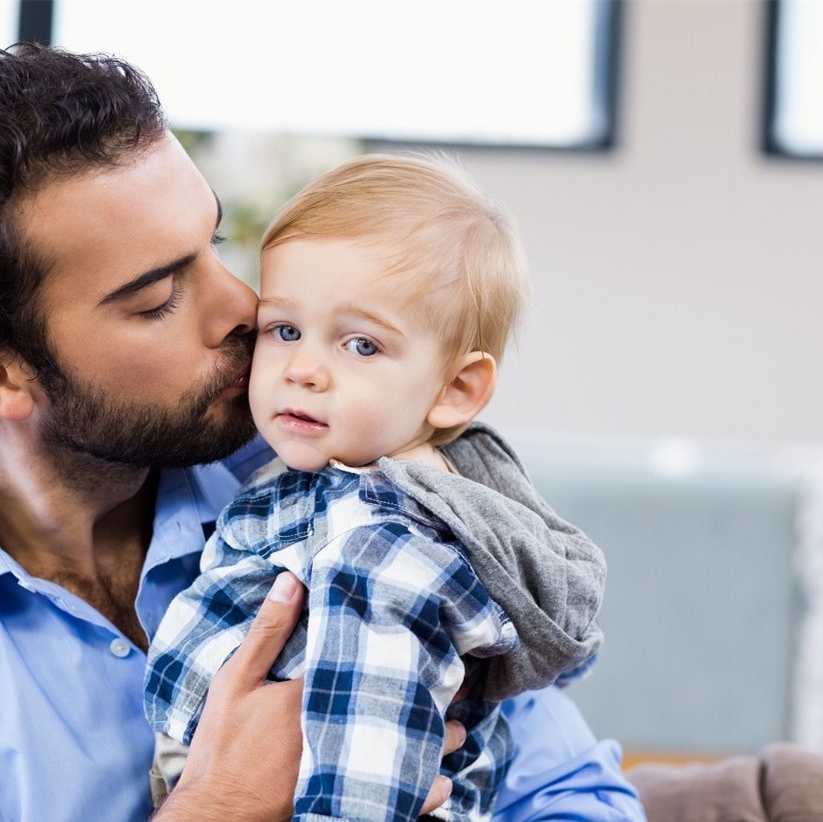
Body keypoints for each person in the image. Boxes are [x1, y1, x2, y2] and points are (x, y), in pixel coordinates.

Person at [0, 45, 644, 821]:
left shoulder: (344, 476)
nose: (242, 306)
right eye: (156, 298)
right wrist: (220, 805)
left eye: (215, 243)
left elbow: (576, 798)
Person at [145, 155, 605, 822]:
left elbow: (363, 773)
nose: (303, 369)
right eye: (284, 329)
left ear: (455, 390)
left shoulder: (383, 552)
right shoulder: (322, 475)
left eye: (359, 346)